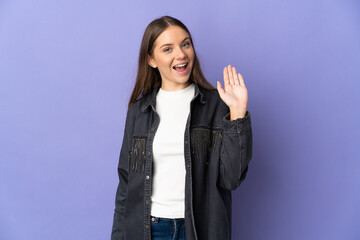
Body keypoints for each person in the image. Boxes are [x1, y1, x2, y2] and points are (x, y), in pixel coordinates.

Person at [111, 15, 253, 240]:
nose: (181, 54)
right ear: (151, 60)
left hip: (199, 230)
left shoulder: (218, 105)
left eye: (185, 44)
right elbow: (125, 186)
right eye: (168, 49)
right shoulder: (139, 112)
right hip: (149, 230)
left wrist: (237, 115)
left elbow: (231, 179)